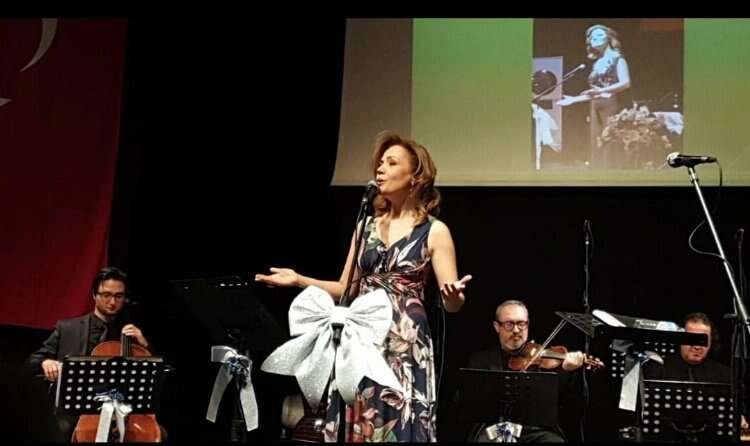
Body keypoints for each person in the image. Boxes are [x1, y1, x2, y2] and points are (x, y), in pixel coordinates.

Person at [255, 130, 471, 442]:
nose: (380, 169)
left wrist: (453, 297)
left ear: (415, 176)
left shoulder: (434, 231)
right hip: (361, 338)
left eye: (392, 162)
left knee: (398, 421)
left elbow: (453, 303)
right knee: (360, 417)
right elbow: (346, 288)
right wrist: (299, 280)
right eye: (380, 163)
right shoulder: (365, 226)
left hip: (403, 343)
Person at [25, 266, 151, 442]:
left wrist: (144, 344)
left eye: (118, 296)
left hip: (119, 410)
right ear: (94, 295)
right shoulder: (67, 328)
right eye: (106, 295)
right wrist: (45, 362)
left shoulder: (131, 334)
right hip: (74, 411)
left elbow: (151, 375)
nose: (112, 302)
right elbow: (32, 361)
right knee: (60, 429)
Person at [466, 300, 588, 442]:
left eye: (521, 324)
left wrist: (566, 370)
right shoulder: (480, 360)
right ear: (497, 326)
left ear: (528, 325)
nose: (516, 330)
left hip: (536, 430)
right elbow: (469, 402)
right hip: (497, 427)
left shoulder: (542, 357)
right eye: (509, 324)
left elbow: (565, 399)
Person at [643, 312, 749, 431]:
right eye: (692, 339)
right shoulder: (656, 369)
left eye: (703, 340)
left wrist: (741, 420)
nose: (697, 347)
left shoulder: (726, 375)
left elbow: (740, 417)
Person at [557, 24, 631, 169]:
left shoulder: (618, 59)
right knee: (597, 143)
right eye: (591, 38)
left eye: (599, 35)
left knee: (610, 142)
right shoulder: (597, 63)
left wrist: (601, 91)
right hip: (596, 107)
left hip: (612, 107)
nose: (594, 39)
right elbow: (595, 93)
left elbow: (626, 83)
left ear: (608, 38)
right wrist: (574, 100)